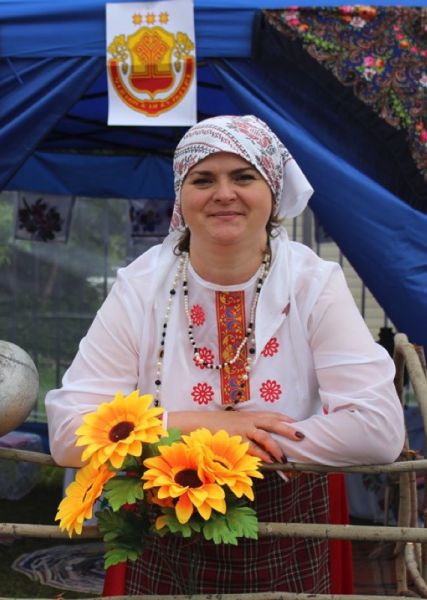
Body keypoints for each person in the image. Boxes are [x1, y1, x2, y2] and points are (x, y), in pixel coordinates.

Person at [45, 114, 405, 595]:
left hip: (288, 514)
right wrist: (205, 425)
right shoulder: (141, 285)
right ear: (181, 195)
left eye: (243, 176)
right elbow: (68, 432)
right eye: (203, 180)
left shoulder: (312, 283)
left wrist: (237, 450)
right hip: (163, 511)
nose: (223, 193)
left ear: (272, 190)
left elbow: (377, 428)